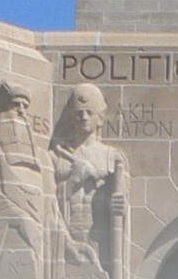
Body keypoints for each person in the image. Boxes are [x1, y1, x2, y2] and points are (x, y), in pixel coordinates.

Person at [0, 82, 55, 250]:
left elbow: (52, 211)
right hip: (4, 242)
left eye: (25, 106)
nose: (21, 111)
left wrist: (70, 243)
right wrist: (20, 218)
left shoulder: (43, 158)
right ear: (2, 108)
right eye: (15, 105)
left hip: (37, 245)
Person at [52, 83, 126, 265]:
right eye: (79, 113)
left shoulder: (112, 157)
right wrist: (74, 179)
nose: (83, 117)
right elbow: (49, 201)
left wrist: (119, 205)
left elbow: (121, 205)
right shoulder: (59, 156)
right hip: (66, 235)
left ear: (100, 118)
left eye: (89, 112)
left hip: (99, 237)